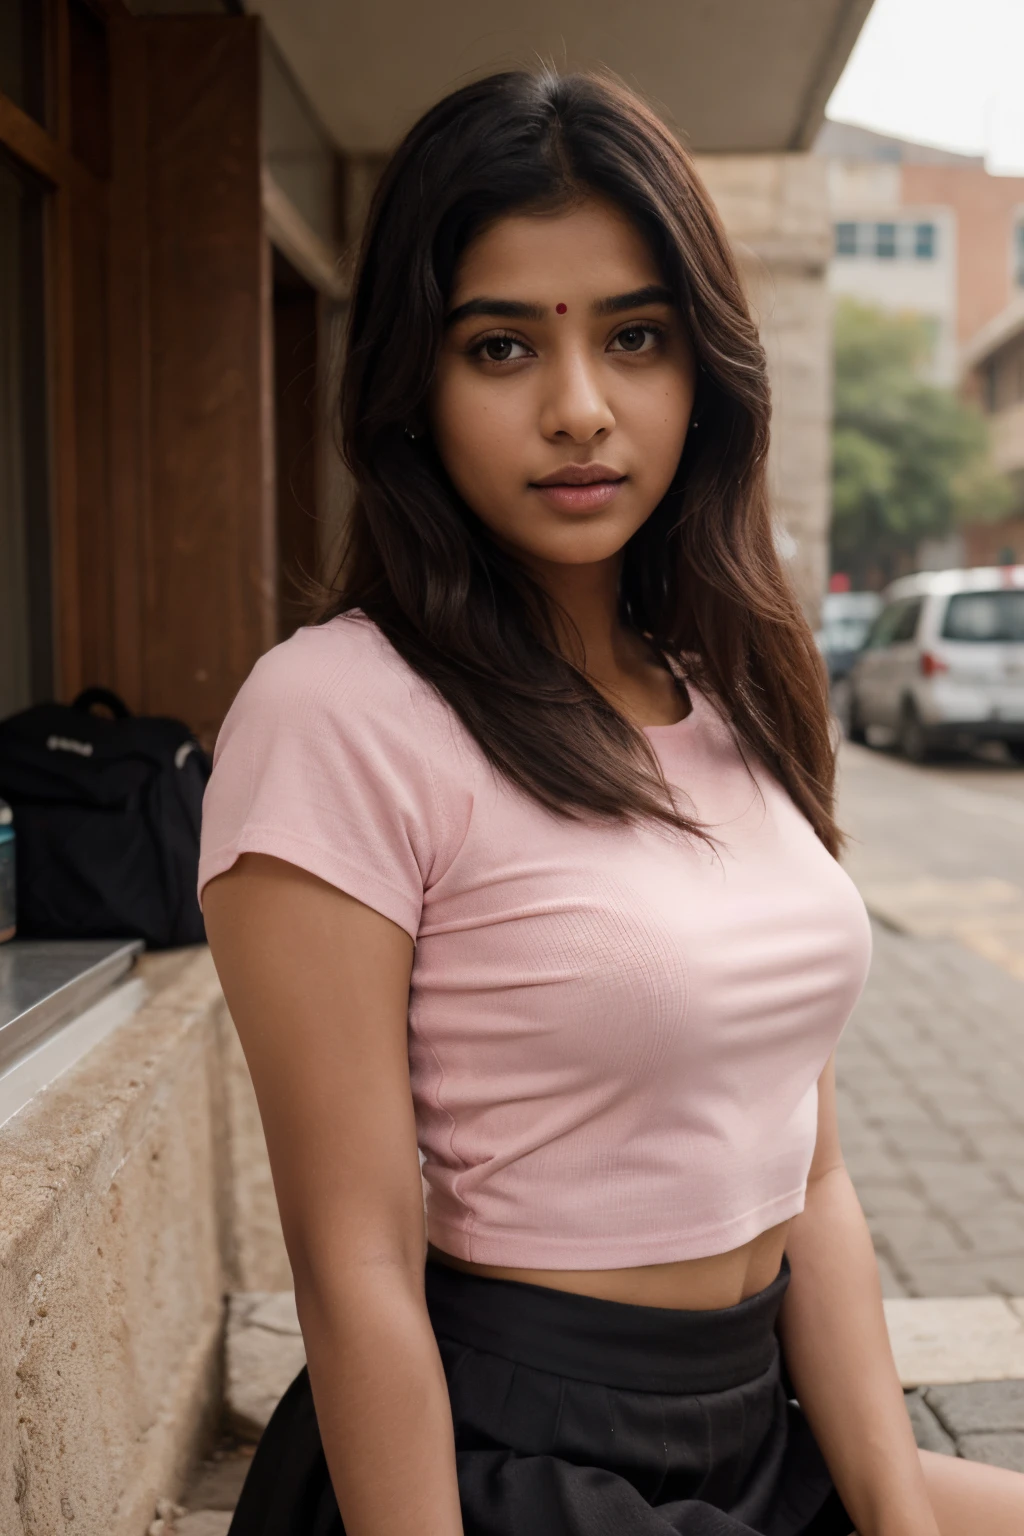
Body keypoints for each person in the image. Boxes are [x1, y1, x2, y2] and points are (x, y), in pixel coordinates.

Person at [199, 68, 1024, 1536]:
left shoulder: (736, 679)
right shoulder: (340, 712)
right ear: (413, 382)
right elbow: (357, 1264)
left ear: (704, 368)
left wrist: (894, 1514)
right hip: (498, 1458)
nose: (581, 409)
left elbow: (814, 1180)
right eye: (503, 344)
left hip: (754, 1426)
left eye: (635, 338)